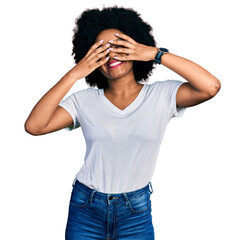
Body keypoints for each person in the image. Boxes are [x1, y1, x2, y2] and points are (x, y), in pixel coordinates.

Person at [24, 6, 221, 240]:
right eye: (101, 51)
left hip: (135, 212)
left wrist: (156, 54)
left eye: (119, 46)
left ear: (136, 47)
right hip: (86, 208)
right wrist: (76, 73)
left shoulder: (162, 95)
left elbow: (211, 87)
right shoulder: (84, 101)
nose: (111, 56)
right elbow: (34, 126)